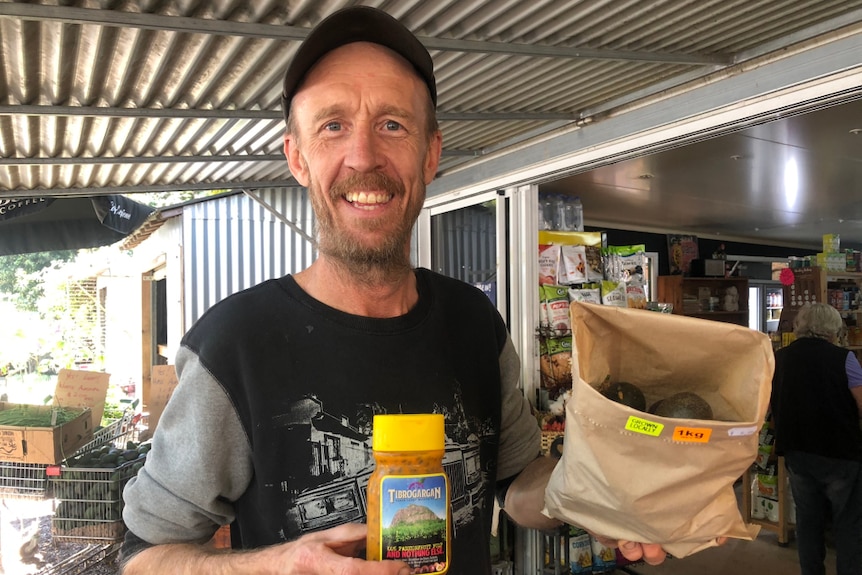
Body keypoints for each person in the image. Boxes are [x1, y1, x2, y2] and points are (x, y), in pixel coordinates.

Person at [119, 6, 667, 574]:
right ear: (297, 157)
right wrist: (275, 565)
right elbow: (141, 557)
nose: (363, 157)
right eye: (332, 126)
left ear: (430, 154)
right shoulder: (233, 346)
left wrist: (599, 487)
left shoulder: (474, 323)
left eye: (392, 125)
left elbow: (516, 487)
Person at [771, 302, 862, 575]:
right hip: (839, 452)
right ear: (833, 329)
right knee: (848, 522)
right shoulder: (844, 358)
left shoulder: (781, 356)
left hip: (797, 450)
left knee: (808, 521)